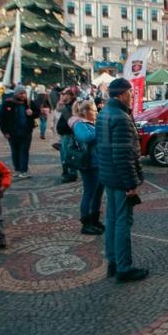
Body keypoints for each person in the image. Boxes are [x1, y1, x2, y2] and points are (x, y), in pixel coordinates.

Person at [96, 77, 148, 283]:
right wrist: (130, 185)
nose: (133, 96)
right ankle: (124, 268)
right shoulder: (121, 118)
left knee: (111, 220)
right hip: (120, 178)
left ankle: (113, 262)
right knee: (123, 222)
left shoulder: (103, 114)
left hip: (108, 175)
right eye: (130, 93)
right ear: (122, 94)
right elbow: (123, 155)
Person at [71, 99, 104, 235]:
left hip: (98, 162)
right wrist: (100, 130)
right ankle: (86, 223)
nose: (96, 113)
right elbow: (85, 137)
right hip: (88, 164)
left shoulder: (90, 123)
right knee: (89, 193)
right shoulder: (79, 124)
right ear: (85, 112)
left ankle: (94, 219)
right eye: (94, 111)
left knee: (98, 194)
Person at [0, 85, 39, 179]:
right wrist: (5, 132)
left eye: (24, 93)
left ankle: (24, 170)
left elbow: (37, 113)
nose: (23, 95)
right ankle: (17, 169)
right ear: (16, 94)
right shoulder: (8, 103)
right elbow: (1, 119)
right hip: (12, 132)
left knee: (24, 151)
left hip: (26, 131)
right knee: (15, 151)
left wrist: (32, 113)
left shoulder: (28, 103)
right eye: (21, 93)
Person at [56, 87, 79, 183]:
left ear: (69, 95)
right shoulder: (68, 104)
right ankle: (66, 172)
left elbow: (73, 121)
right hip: (64, 134)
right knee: (65, 154)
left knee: (68, 154)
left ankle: (71, 173)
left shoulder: (74, 105)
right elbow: (58, 108)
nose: (61, 96)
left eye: (64, 94)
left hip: (69, 134)